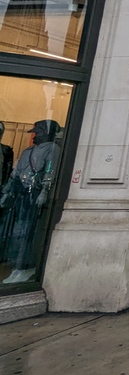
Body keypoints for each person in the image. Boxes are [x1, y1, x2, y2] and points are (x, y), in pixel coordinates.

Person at [1, 120, 61, 284]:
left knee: (27, 230)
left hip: (33, 194)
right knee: (16, 229)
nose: (35, 135)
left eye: (38, 131)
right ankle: (15, 266)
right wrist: (6, 192)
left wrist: (44, 191)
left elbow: (50, 170)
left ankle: (24, 266)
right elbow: (16, 172)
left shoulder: (52, 149)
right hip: (19, 193)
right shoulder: (28, 151)